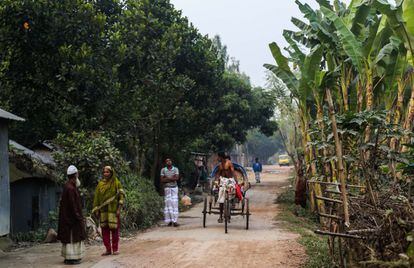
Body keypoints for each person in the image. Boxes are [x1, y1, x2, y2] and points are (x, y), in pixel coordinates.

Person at [57, 165, 86, 265]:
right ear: (75, 175)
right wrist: (78, 217)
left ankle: (68, 258)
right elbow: (73, 205)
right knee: (72, 237)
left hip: (67, 217)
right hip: (71, 219)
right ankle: (71, 258)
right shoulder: (70, 188)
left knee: (70, 237)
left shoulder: (68, 186)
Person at [92, 166, 125, 256]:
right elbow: (97, 197)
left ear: (111, 173)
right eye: (104, 172)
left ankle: (115, 249)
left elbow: (121, 196)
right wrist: (96, 209)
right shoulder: (100, 184)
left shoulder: (116, 183)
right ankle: (108, 249)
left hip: (114, 210)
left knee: (115, 230)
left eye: (107, 172)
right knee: (104, 231)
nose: (106, 174)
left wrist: (119, 209)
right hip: (103, 211)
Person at [215, 152, 236, 223]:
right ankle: (220, 216)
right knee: (221, 199)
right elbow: (218, 174)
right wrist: (217, 181)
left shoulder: (229, 163)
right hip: (223, 181)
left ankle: (232, 203)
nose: (218, 159)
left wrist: (235, 181)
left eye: (219, 157)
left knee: (233, 192)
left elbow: (233, 172)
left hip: (230, 180)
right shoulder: (220, 165)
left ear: (222, 157)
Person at [161, 158, 180, 227]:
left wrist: (167, 178)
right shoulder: (163, 170)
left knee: (174, 204)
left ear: (172, 161)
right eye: (167, 161)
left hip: (174, 188)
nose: (168, 162)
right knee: (168, 204)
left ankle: (175, 221)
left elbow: (177, 178)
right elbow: (162, 180)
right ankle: (169, 221)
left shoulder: (176, 169)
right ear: (165, 163)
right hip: (167, 188)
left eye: (169, 160)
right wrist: (171, 178)